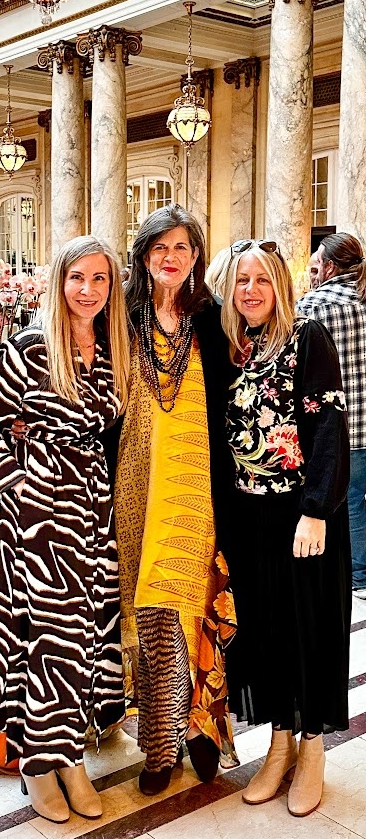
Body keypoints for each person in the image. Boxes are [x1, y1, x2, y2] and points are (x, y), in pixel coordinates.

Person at [0, 236, 130, 824]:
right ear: (60, 282)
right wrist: (19, 488)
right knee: (46, 640)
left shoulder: (112, 349)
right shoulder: (29, 348)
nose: (88, 290)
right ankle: (42, 764)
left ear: (112, 288)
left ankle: (70, 756)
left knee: (84, 634)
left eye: (100, 280)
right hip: (41, 509)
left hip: (92, 507)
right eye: (77, 278)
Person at [220, 239, 351, 817]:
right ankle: (277, 745)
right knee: (265, 630)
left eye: (262, 280)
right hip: (250, 519)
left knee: (308, 629)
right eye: (241, 281)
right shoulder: (234, 349)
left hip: (302, 514)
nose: (251, 291)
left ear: (281, 287)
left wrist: (317, 509)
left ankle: (312, 749)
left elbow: (328, 429)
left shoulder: (307, 339)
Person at [113, 204, 238, 797]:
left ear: (195, 257)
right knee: (155, 613)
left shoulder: (211, 319)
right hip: (139, 482)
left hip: (198, 484)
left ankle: (205, 732)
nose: (170, 257)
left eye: (182, 247)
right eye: (159, 247)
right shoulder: (125, 318)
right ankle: (160, 743)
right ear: (143, 255)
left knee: (197, 607)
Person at [296, 233, 366, 600]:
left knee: (351, 502)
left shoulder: (314, 305)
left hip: (346, 425)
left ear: (329, 266)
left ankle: (360, 576)